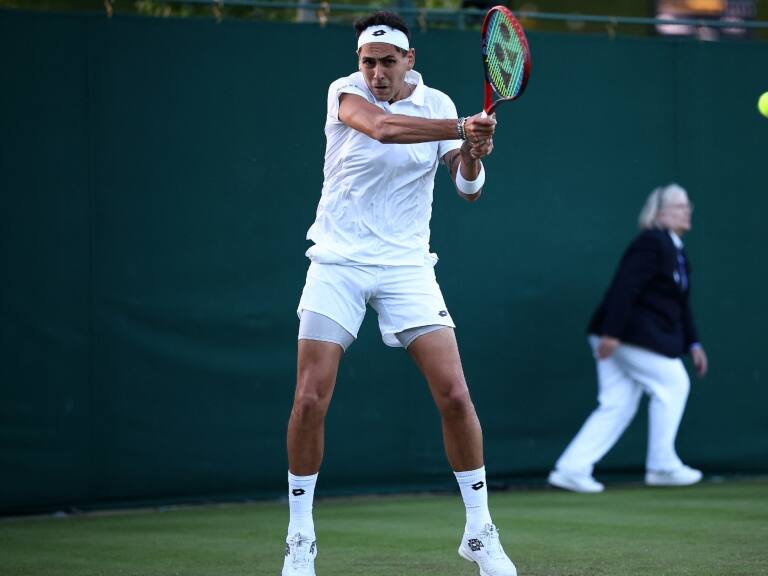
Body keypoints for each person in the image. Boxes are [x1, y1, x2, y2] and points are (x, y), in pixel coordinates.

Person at [281, 10, 517, 576]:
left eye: (388, 62)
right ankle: (300, 538)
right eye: (369, 62)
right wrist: (462, 129)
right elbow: (383, 129)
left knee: (455, 396)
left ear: (410, 61)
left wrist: (471, 154)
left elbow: (467, 189)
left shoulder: (437, 105)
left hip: (408, 266)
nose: (377, 72)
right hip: (336, 262)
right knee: (310, 397)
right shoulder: (345, 93)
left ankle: (480, 532)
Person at [547, 183, 709, 494]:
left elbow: (680, 302)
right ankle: (661, 465)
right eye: (679, 206)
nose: (686, 211)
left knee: (617, 404)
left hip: (620, 335)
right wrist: (612, 332)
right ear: (660, 213)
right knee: (674, 383)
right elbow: (625, 287)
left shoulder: (675, 248)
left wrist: (694, 343)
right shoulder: (652, 242)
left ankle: (571, 469)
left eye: (687, 206)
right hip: (622, 335)